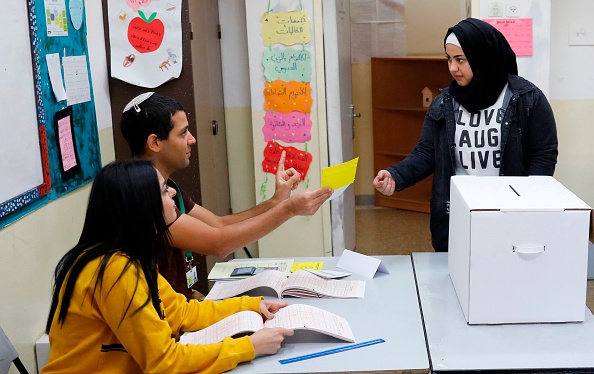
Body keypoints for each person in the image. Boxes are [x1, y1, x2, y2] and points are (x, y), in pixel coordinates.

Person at [43, 160, 294, 373]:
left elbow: (181, 313)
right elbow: (163, 363)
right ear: (141, 206)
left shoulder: (128, 257)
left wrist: (251, 305)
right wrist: (249, 347)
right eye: (164, 191)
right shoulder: (114, 271)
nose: (173, 193)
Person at [120, 92, 333, 299]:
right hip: (164, 317)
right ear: (155, 142)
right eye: (183, 133)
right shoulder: (142, 195)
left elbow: (217, 225)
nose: (192, 140)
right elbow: (218, 243)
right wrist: (289, 209)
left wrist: (276, 201)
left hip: (183, 303)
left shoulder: (170, 188)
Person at [373, 18, 558, 252]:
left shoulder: (527, 99)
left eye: (460, 60)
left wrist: (526, 204)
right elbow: (427, 153)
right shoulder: (444, 103)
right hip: (458, 215)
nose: (452, 68)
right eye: (449, 59)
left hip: (510, 214)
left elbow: (543, 156)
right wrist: (395, 175)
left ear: (483, 56)